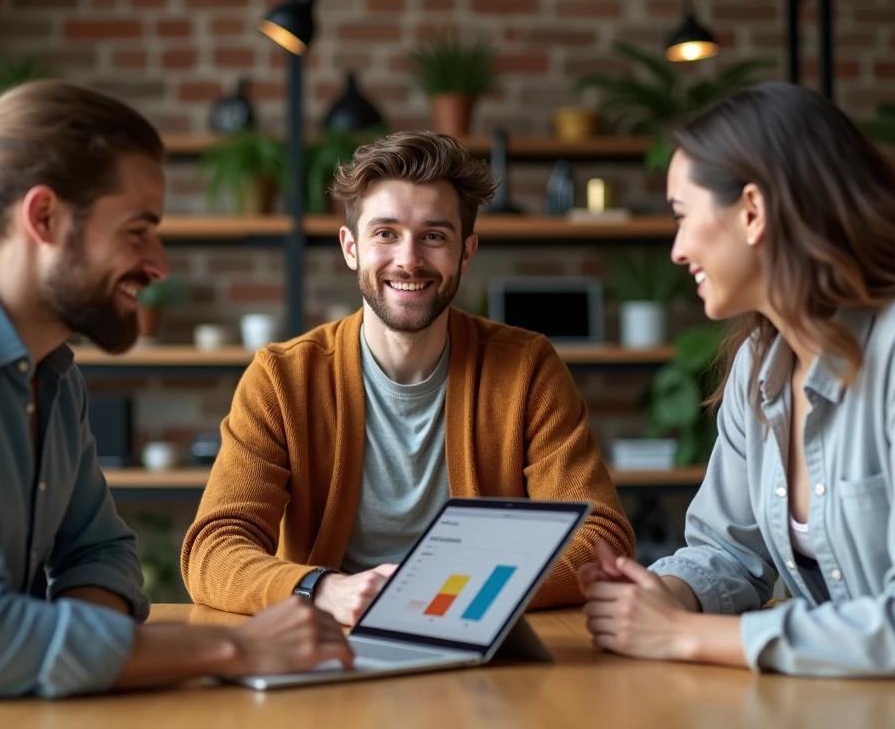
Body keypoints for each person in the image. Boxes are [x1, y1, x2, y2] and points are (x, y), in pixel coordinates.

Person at [0, 81, 351, 729]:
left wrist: (7, 652)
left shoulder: (53, 373)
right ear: (43, 217)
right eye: (139, 231)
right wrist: (237, 646)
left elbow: (103, 557)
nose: (158, 265)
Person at [577, 81, 895, 714]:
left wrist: (686, 635)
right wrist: (664, 596)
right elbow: (729, 551)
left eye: (682, 213)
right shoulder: (759, 363)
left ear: (753, 211)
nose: (676, 248)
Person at [182, 130, 635, 624]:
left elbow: (601, 538)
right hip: (334, 636)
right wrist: (323, 589)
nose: (409, 259)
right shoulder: (283, 379)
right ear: (350, 247)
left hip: (478, 634)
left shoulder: (527, 368)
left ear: (466, 251)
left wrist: (446, 591)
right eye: (386, 233)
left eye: (434, 236)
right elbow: (214, 548)